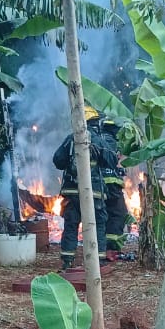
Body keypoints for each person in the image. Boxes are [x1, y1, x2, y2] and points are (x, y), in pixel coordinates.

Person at [53, 106, 111, 270]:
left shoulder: (70, 139)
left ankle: (67, 262)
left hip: (72, 194)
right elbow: (110, 160)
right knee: (98, 224)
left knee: (71, 225)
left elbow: (57, 161)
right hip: (95, 193)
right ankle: (97, 262)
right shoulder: (98, 141)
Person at [100, 115, 129, 261]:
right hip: (112, 186)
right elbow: (111, 162)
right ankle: (111, 249)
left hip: (98, 186)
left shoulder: (97, 139)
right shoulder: (111, 141)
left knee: (102, 216)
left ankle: (103, 249)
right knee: (118, 214)